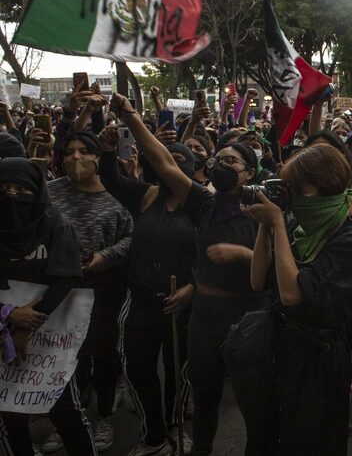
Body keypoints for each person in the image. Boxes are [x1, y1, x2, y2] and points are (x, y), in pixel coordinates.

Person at [109, 93, 262, 456]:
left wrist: (243, 253)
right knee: (204, 395)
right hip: (205, 316)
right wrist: (130, 115)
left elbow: (273, 270)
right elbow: (162, 161)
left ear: (251, 173)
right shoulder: (202, 202)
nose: (224, 164)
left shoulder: (265, 211)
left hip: (247, 317)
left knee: (253, 400)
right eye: (220, 159)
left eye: (234, 161)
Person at [246, 143, 352, 455]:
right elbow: (256, 281)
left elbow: (293, 295)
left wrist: (278, 222)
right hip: (282, 349)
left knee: (309, 439)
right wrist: (267, 227)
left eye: (293, 188)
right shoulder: (297, 225)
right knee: (269, 435)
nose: (287, 196)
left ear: (317, 189)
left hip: (319, 361)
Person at [97, 126, 195, 456]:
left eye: (181, 161)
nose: (174, 166)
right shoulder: (146, 195)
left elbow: (215, 257)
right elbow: (110, 179)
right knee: (138, 369)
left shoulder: (203, 205)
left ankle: (173, 427)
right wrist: (108, 151)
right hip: (140, 302)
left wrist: (191, 289)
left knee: (178, 375)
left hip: (181, 306)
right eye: (169, 159)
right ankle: (152, 435)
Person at [0, 158, 97, 456]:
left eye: (22, 189)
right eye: (4, 188)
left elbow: (65, 279)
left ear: (38, 192)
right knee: (11, 416)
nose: (12, 196)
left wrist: (26, 325)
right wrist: (9, 318)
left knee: (65, 412)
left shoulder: (55, 225)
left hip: (48, 338)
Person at [44, 131, 133, 454]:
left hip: (106, 286)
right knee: (68, 356)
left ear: (98, 157)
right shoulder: (50, 192)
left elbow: (133, 237)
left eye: (84, 151)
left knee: (104, 353)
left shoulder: (119, 194)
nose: (77, 158)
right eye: (70, 152)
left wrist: (104, 258)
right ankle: (69, 419)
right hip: (62, 287)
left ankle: (104, 416)